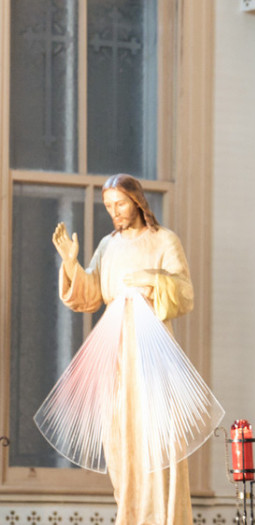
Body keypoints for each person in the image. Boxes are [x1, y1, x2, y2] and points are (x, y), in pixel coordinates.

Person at [35, 174, 224, 524]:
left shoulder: (163, 240)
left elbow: (184, 292)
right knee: (120, 440)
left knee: (159, 436)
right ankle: (131, 513)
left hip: (152, 351)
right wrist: (72, 264)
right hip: (116, 349)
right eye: (108, 206)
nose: (114, 212)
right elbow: (90, 295)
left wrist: (154, 279)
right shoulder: (108, 245)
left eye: (119, 203)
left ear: (137, 201)